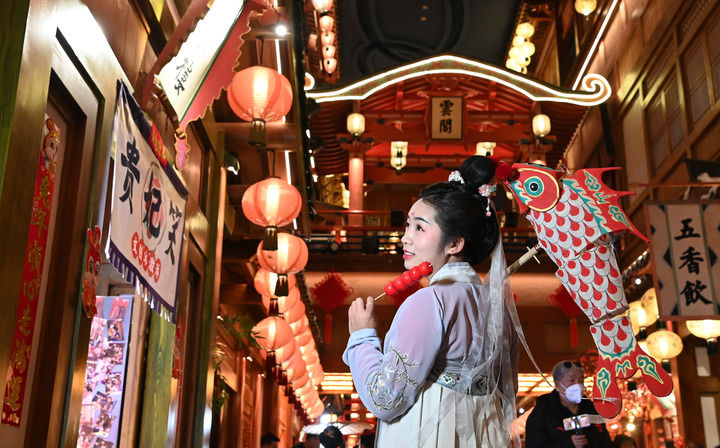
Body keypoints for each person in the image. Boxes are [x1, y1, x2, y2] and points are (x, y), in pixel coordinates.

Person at [343, 156, 519, 447]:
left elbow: (386, 399)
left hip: (431, 433)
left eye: (419, 228)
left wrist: (362, 337)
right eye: (407, 226)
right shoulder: (497, 306)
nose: (405, 238)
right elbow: (506, 386)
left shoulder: (429, 301)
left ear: (454, 244)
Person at [525, 361, 612, 448]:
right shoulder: (542, 413)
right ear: (557, 384)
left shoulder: (591, 409)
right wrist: (568, 444)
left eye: (581, 381)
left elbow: (605, 441)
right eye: (571, 380)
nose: (578, 385)